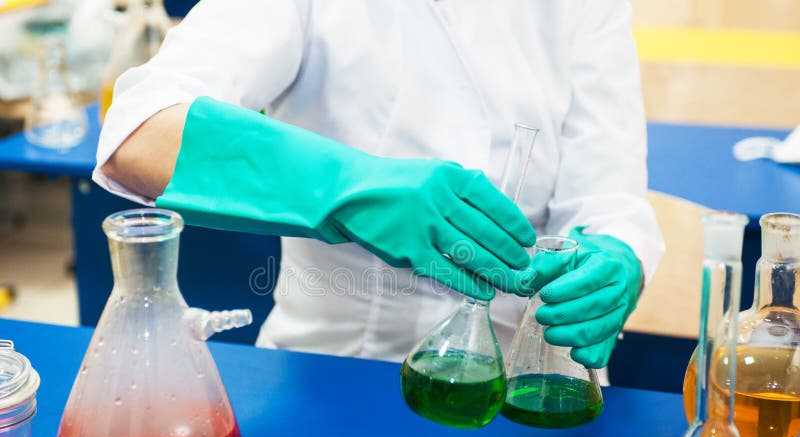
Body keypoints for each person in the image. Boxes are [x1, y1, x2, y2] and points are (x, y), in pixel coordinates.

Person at [94, 0, 665, 375]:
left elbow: (608, 198)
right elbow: (139, 132)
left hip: (528, 383)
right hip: (335, 374)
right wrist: (349, 186)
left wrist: (616, 257)